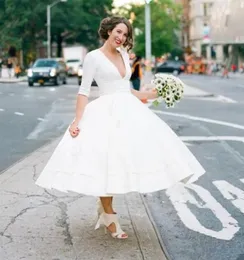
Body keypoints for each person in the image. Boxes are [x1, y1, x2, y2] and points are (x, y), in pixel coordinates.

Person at [35, 16, 205, 240]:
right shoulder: (93, 58)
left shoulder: (124, 55)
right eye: (118, 32)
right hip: (105, 113)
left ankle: (105, 211)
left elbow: (128, 90)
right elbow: (84, 91)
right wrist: (77, 120)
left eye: (125, 34)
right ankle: (109, 215)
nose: (121, 37)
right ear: (107, 31)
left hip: (130, 111)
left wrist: (153, 94)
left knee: (125, 162)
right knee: (106, 163)